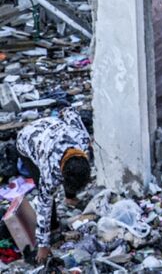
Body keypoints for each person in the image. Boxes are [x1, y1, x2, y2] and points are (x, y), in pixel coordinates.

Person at [16, 108, 91, 264]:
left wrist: (66, 111)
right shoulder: (49, 171)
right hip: (28, 139)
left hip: (51, 127)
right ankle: (54, 227)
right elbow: (43, 204)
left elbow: (72, 112)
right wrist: (43, 244)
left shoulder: (82, 139)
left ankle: (70, 198)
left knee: (72, 177)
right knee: (46, 193)